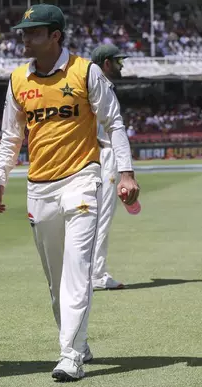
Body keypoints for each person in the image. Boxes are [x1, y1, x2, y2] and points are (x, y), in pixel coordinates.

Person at [0, 4, 140, 381]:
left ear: (56, 35)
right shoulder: (17, 79)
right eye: (23, 32)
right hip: (39, 187)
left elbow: (113, 122)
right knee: (55, 281)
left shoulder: (85, 71)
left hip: (82, 180)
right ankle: (77, 340)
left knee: (77, 271)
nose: (25, 38)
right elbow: (11, 135)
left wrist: (126, 173)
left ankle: (70, 354)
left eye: (33, 32)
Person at [90, 44, 128, 290]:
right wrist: (126, 171)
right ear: (106, 63)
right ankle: (96, 275)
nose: (121, 66)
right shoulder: (100, 85)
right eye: (117, 61)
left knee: (91, 218)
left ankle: (88, 273)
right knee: (101, 218)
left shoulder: (90, 83)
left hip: (94, 155)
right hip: (104, 155)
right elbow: (113, 127)